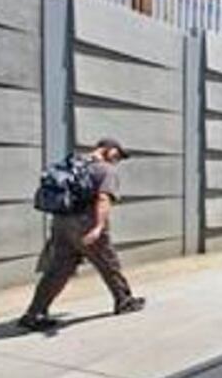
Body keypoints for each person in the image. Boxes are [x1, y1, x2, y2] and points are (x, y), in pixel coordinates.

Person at [18, 138, 145, 331]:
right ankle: (124, 300)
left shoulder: (74, 164)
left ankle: (34, 314)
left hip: (61, 222)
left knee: (57, 270)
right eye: (117, 155)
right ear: (108, 149)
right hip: (86, 222)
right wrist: (98, 227)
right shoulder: (105, 170)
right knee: (108, 263)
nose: (117, 160)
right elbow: (103, 199)